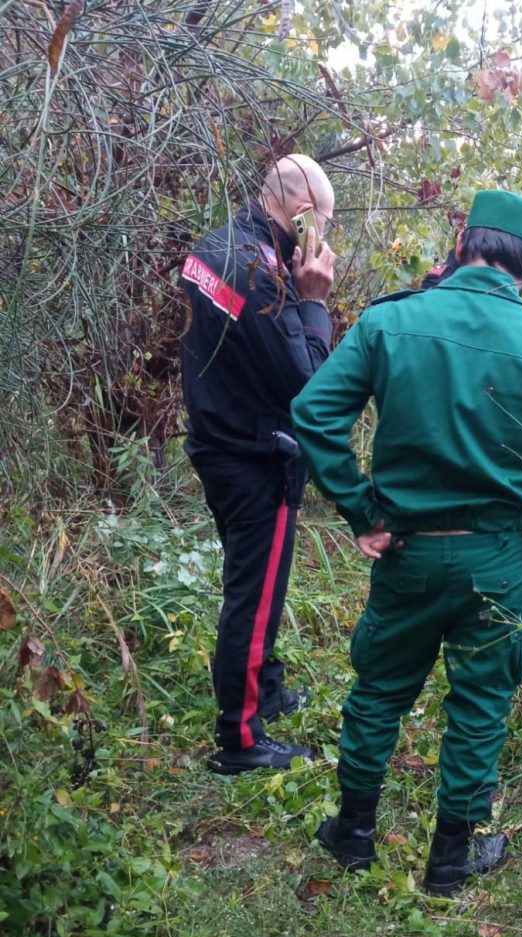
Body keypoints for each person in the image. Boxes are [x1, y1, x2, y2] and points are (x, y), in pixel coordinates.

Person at [291, 189, 522, 895]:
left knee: (379, 691)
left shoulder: (392, 323)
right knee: (481, 703)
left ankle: (353, 838)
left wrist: (364, 512)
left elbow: (314, 414)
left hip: (408, 552)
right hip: (496, 561)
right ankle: (449, 864)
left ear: (462, 241)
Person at [180, 154, 337, 774]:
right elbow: (310, 383)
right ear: (303, 217)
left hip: (221, 439)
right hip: (253, 455)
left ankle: (265, 689)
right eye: (325, 224)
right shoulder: (258, 271)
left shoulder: (217, 246)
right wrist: (313, 299)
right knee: (254, 591)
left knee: (257, 582)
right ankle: (240, 738)